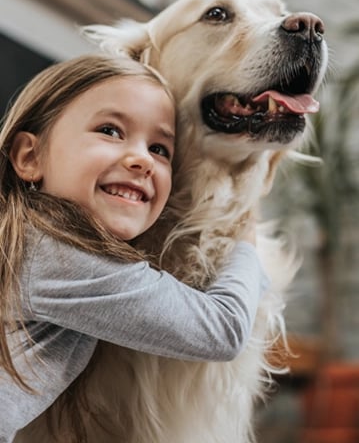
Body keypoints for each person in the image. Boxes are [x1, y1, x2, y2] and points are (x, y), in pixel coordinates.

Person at [0, 55, 268, 442]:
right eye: (110, 130)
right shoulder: (59, 257)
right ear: (30, 156)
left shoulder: (27, 238)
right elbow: (222, 330)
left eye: (160, 149)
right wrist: (246, 238)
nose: (142, 159)